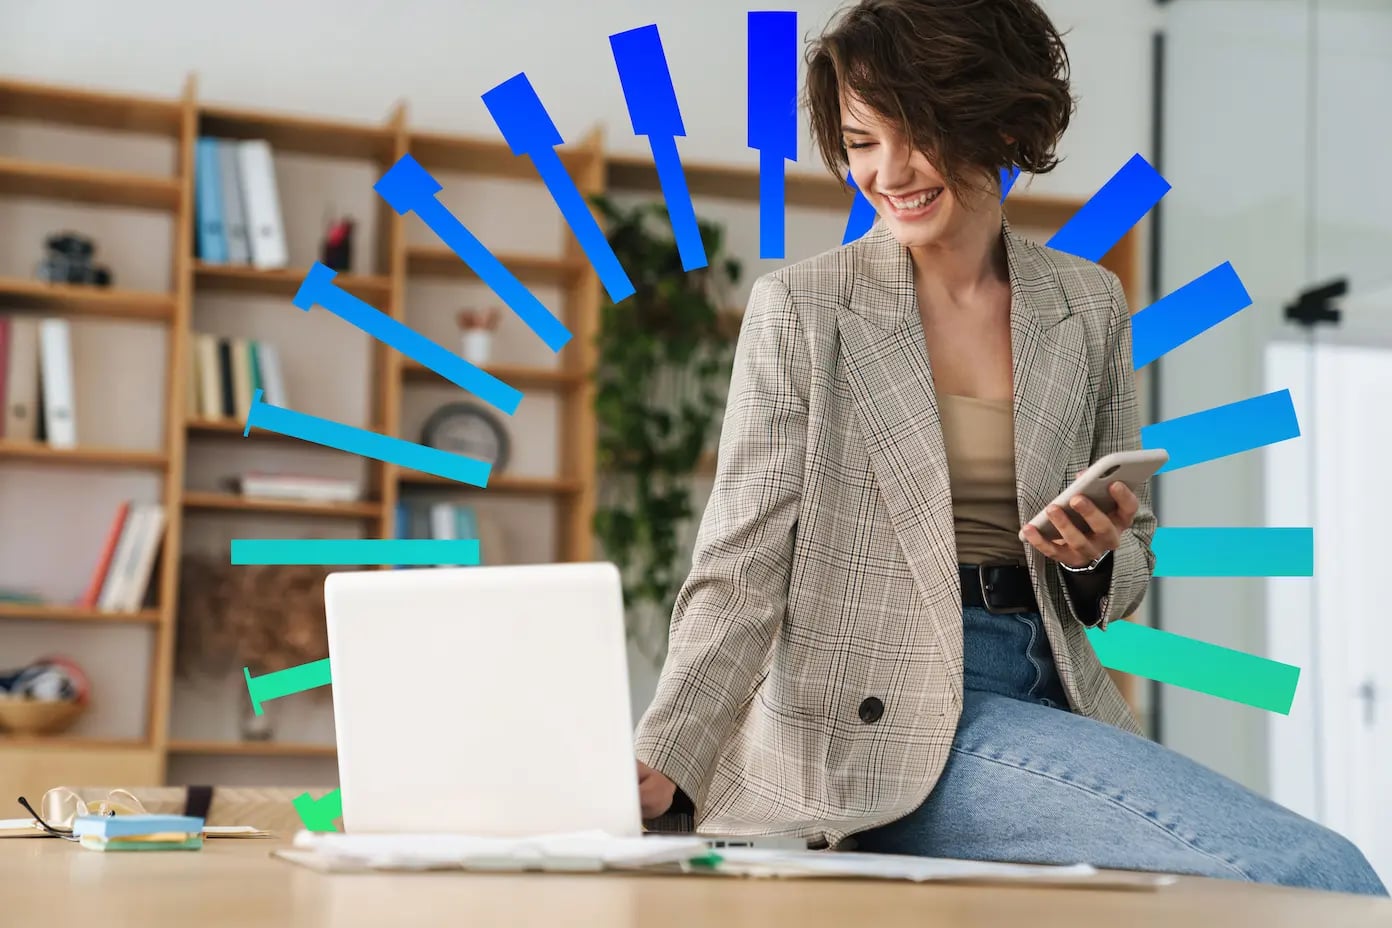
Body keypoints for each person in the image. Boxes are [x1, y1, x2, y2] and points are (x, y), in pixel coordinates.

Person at [632, 0, 1387, 898]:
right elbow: (741, 562)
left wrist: (1095, 556)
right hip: (888, 722)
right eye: (862, 141)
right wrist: (664, 758)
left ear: (996, 120)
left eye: (917, 133)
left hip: (1054, 687)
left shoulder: (1087, 303)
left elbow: (1132, 548)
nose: (888, 171)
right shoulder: (805, 308)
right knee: (1315, 871)